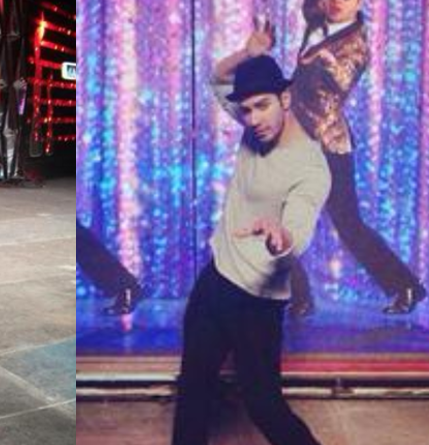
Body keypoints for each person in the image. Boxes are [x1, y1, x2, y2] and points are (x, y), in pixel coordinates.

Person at [171, 37, 330, 445]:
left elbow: (298, 230)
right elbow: (217, 77)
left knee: (264, 406)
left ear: (286, 98)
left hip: (257, 302)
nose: (254, 118)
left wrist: (280, 238)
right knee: (193, 390)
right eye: (246, 110)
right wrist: (248, 53)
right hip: (216, 280)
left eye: (262, 105)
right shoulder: (253, 127)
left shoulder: (311, 167)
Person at [283, 0, 426, 316]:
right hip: (293, 135)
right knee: (275, 212)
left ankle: (406, 287)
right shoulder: (316, 19)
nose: (337, 1)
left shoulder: (357, 44)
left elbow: (342, 80)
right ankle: (299, 296)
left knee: (348, 223)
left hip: (327, 143)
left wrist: (325, 59)